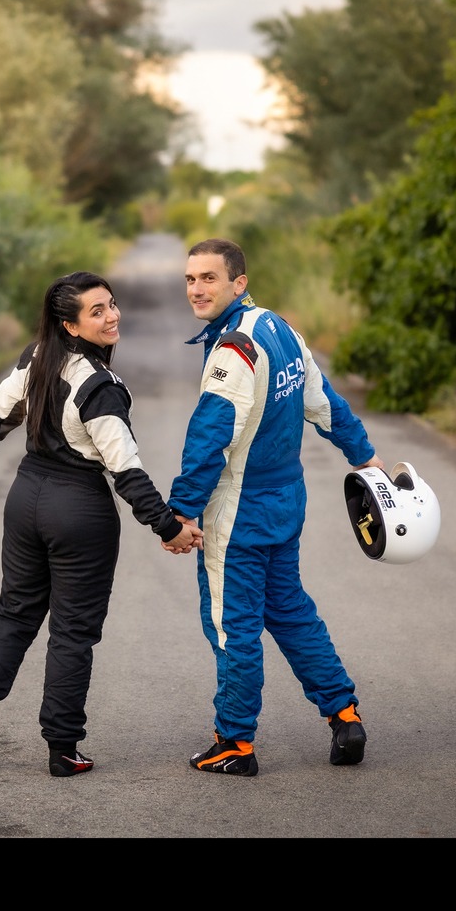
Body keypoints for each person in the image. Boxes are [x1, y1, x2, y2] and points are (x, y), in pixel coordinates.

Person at [0, 271, 202, 779]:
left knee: (12, 616)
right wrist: (168, 528)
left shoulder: (36, 358)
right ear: (70, 325)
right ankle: (62, 749)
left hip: (25, 499)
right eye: (97, 311)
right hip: (79, 509)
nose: (112, 316)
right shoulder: (100, 387)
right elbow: (126, 469)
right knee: (73, 633)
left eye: (112, 305)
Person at [166, 238, 385, 777]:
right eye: (191, 278)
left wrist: (182, 513)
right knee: (289, 611)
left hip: (238, 511)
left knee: (231, 627)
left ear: (238, 282)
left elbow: (211, 437)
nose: (196, 288)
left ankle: (235, 743)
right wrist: (367, 458)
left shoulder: (234, 350)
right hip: (285, 503)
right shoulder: (281, 329)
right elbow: (325, 403)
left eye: (209, 278)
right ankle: (345, 715)